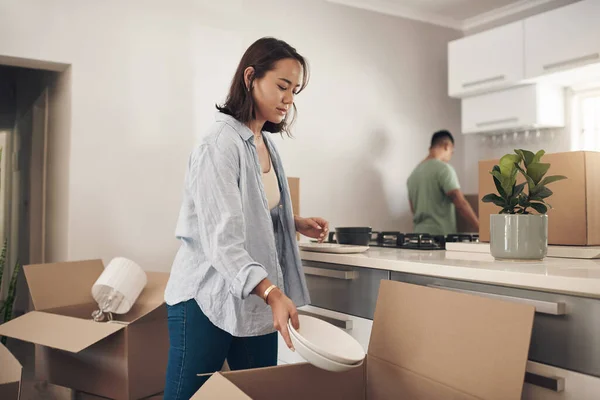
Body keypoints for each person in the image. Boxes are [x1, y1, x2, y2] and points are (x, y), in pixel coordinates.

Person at [163, 37, 329, 400]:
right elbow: (222, 238)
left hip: (252, 298)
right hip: (206, 296)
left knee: (259, 392)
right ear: (250, 77)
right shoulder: (218, 144)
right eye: (282, 86)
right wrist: (271, 292)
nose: (289, 99)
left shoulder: (262, 142)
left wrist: (292, 221)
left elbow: (250, 208)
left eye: (295, 90)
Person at [407, 130, 479, 235]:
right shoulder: (444, 169)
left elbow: (413, 209)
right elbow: (460, 203)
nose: (450, 156)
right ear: (447, 146)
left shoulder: (413, 175)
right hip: (439, 238)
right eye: (452, 152)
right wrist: (480, 227)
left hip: (418, 236)